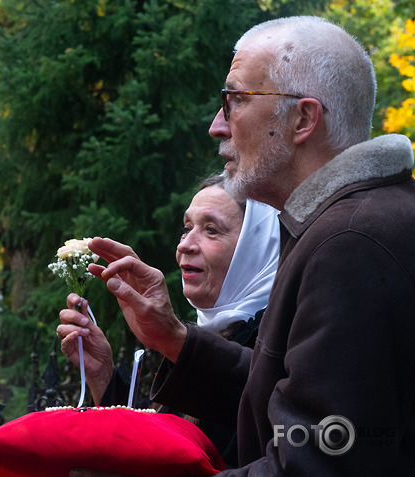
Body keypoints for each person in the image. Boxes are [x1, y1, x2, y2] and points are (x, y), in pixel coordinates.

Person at [72, 15, 415, 476]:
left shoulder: (351, 242)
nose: (218, 125)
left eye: (234, 100)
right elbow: (286, 400)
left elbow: (317, 463)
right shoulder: (357, 220)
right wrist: (175, 339)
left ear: (303, 119)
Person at [58, 175, 278, 464]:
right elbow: (159, 442)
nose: (185, 244)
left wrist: (175, 340)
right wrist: (102, 375)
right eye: (186, 229)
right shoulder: (208, 331)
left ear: (258, 247)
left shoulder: (279, 337)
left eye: (211, 230)